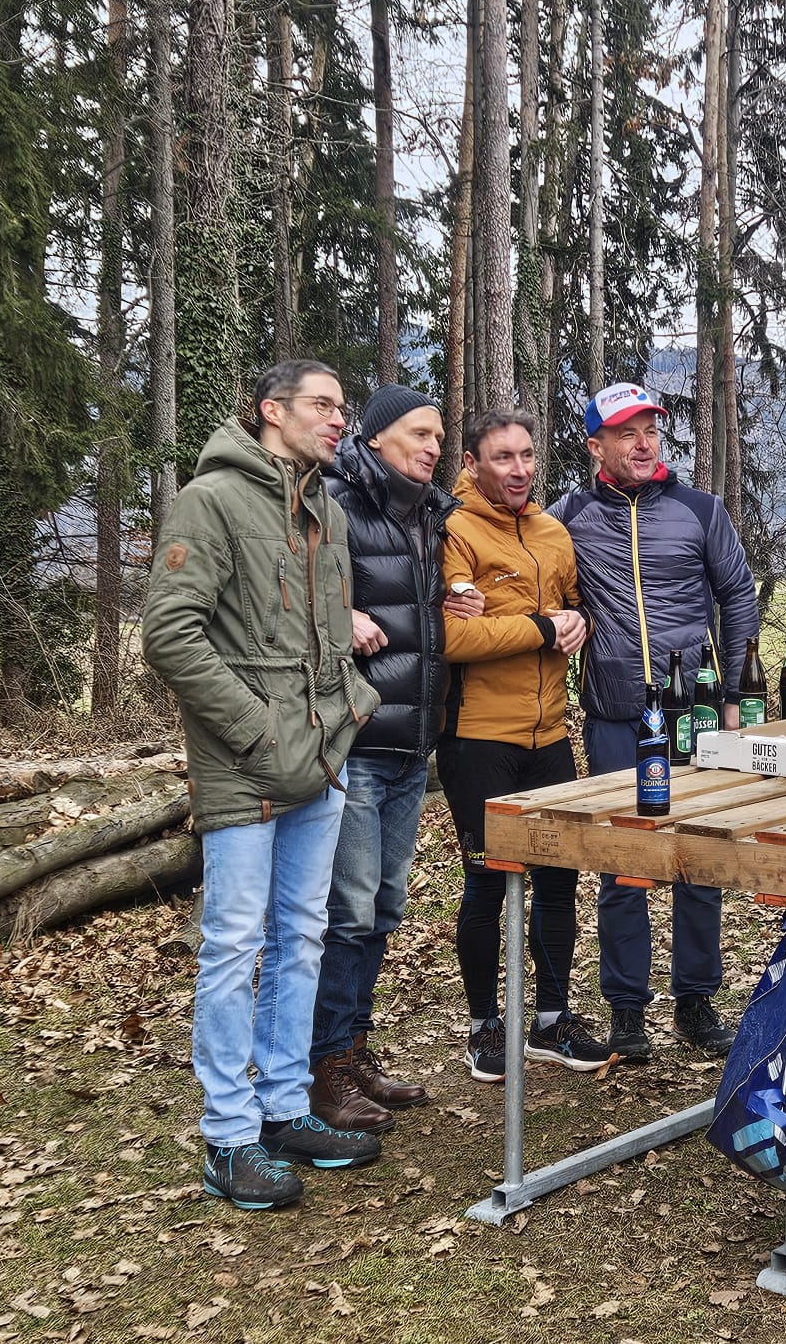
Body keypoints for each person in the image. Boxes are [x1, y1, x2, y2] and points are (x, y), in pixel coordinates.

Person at [142, 360, 384, 1211]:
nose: (337, 419)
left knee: (302, 935)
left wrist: (346, 708)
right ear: (269, 411)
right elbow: (170, 634)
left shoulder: (324, 506)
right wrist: (251, 726)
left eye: (342, 407)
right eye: (323, 404)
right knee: (234, 945)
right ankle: (227, 1136)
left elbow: (328, 631)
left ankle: (284, 1111)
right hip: (244, 762)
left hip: (320, 755)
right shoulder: (209, 500)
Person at [546, 383, 758, 1062]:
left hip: (693, 712)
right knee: (623, 863)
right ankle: (627, 1011)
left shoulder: (701, 509)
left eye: (652, 431)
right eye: (627, 433)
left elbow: (737, 596)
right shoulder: (568, 516)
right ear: (596, 445)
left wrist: (731, 695)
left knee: (700, 852)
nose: (643, 444)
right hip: (614, 712)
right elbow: (515, 552)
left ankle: (696, 1001)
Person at [307, 385, 483, 1132]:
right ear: (376, 438)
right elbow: (289, 587)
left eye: (440, 436)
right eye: (420, 432)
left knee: (381, 909)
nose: (433, 445)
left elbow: (421, 617)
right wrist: (336, 614)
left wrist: (461, 604)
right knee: (346, 914)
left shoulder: (429, 515)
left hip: (414, 747)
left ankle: (354, 1049)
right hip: (355, 741)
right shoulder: (335, 502)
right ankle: (323, 1070)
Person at [439, 408, 610, 1077]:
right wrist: (541, 628)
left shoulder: (551, 531)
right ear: (475, 464)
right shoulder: (455, 531)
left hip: (549, 735)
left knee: (560, 877)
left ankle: (550, 1021)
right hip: (479, 737)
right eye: (503, 457)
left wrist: (579, 623)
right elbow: (455, 639)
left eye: (528, 456)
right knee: (487, 880)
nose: (519, 469)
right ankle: (484, 1026)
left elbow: (575, 611)